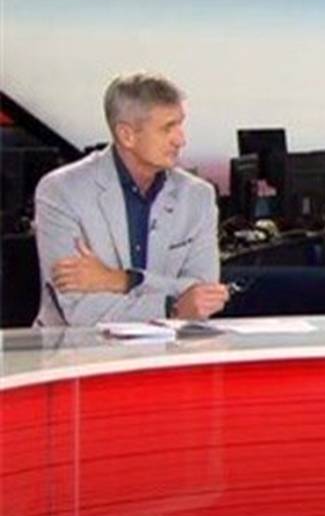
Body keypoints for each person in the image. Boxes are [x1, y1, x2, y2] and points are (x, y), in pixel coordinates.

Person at [34, 72, 229, 326]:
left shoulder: (198, 196)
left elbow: (205, 296)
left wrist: (122, 280)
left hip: (170, 346)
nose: (181, 140)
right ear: (127, 135)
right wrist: (171, 307)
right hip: (75, 346)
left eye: (180, 125)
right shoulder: (62, 191)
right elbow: (79, 309)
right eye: (168, 128)